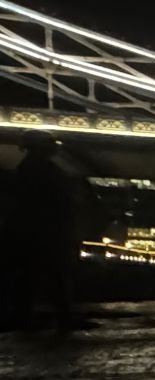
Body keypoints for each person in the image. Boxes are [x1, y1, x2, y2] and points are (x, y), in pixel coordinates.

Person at [3, 134, 90, 330]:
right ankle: (60, 317)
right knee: (55, 276)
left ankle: (24, 315)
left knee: (29, 277)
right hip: (47, 233)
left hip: (32, 232)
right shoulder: (46, 172)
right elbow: (61, 203)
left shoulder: (26, 169)